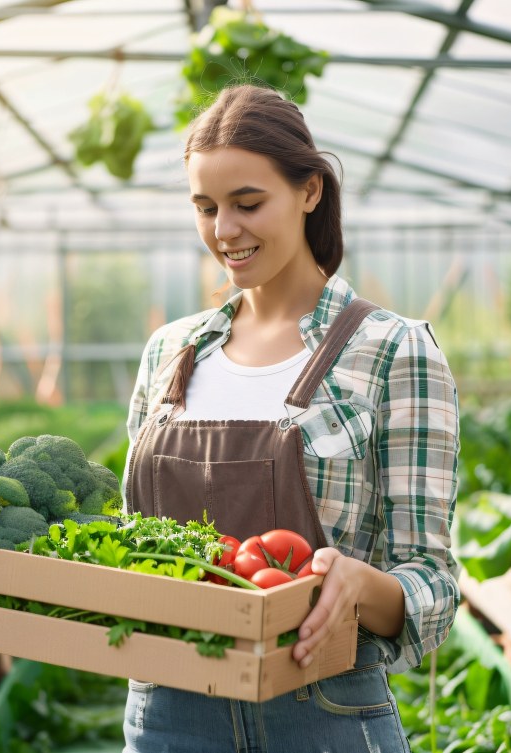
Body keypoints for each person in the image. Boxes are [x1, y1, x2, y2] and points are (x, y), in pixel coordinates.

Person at [121, 83, 460, 753]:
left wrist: (360, 584)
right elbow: (132, 542)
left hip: (324, 711)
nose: (225, 231)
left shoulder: (394, 350)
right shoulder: (170, 351)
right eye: (206, 207)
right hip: (167, 713)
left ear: (310, 191)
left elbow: (435, 582)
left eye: (248, 203)